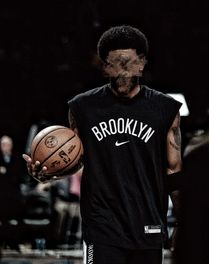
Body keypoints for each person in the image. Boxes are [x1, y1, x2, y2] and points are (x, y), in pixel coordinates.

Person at [23, 25, 183, 264]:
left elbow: (173, 169)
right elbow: (73, 160)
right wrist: (48, 175)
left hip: (148, 223)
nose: (121, 72)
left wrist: (183, 221)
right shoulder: (82, 107)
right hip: (102, 227)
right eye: (113, 64)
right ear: (104, 67)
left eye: (127, 63)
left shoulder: (165, 109)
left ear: (141, 63)